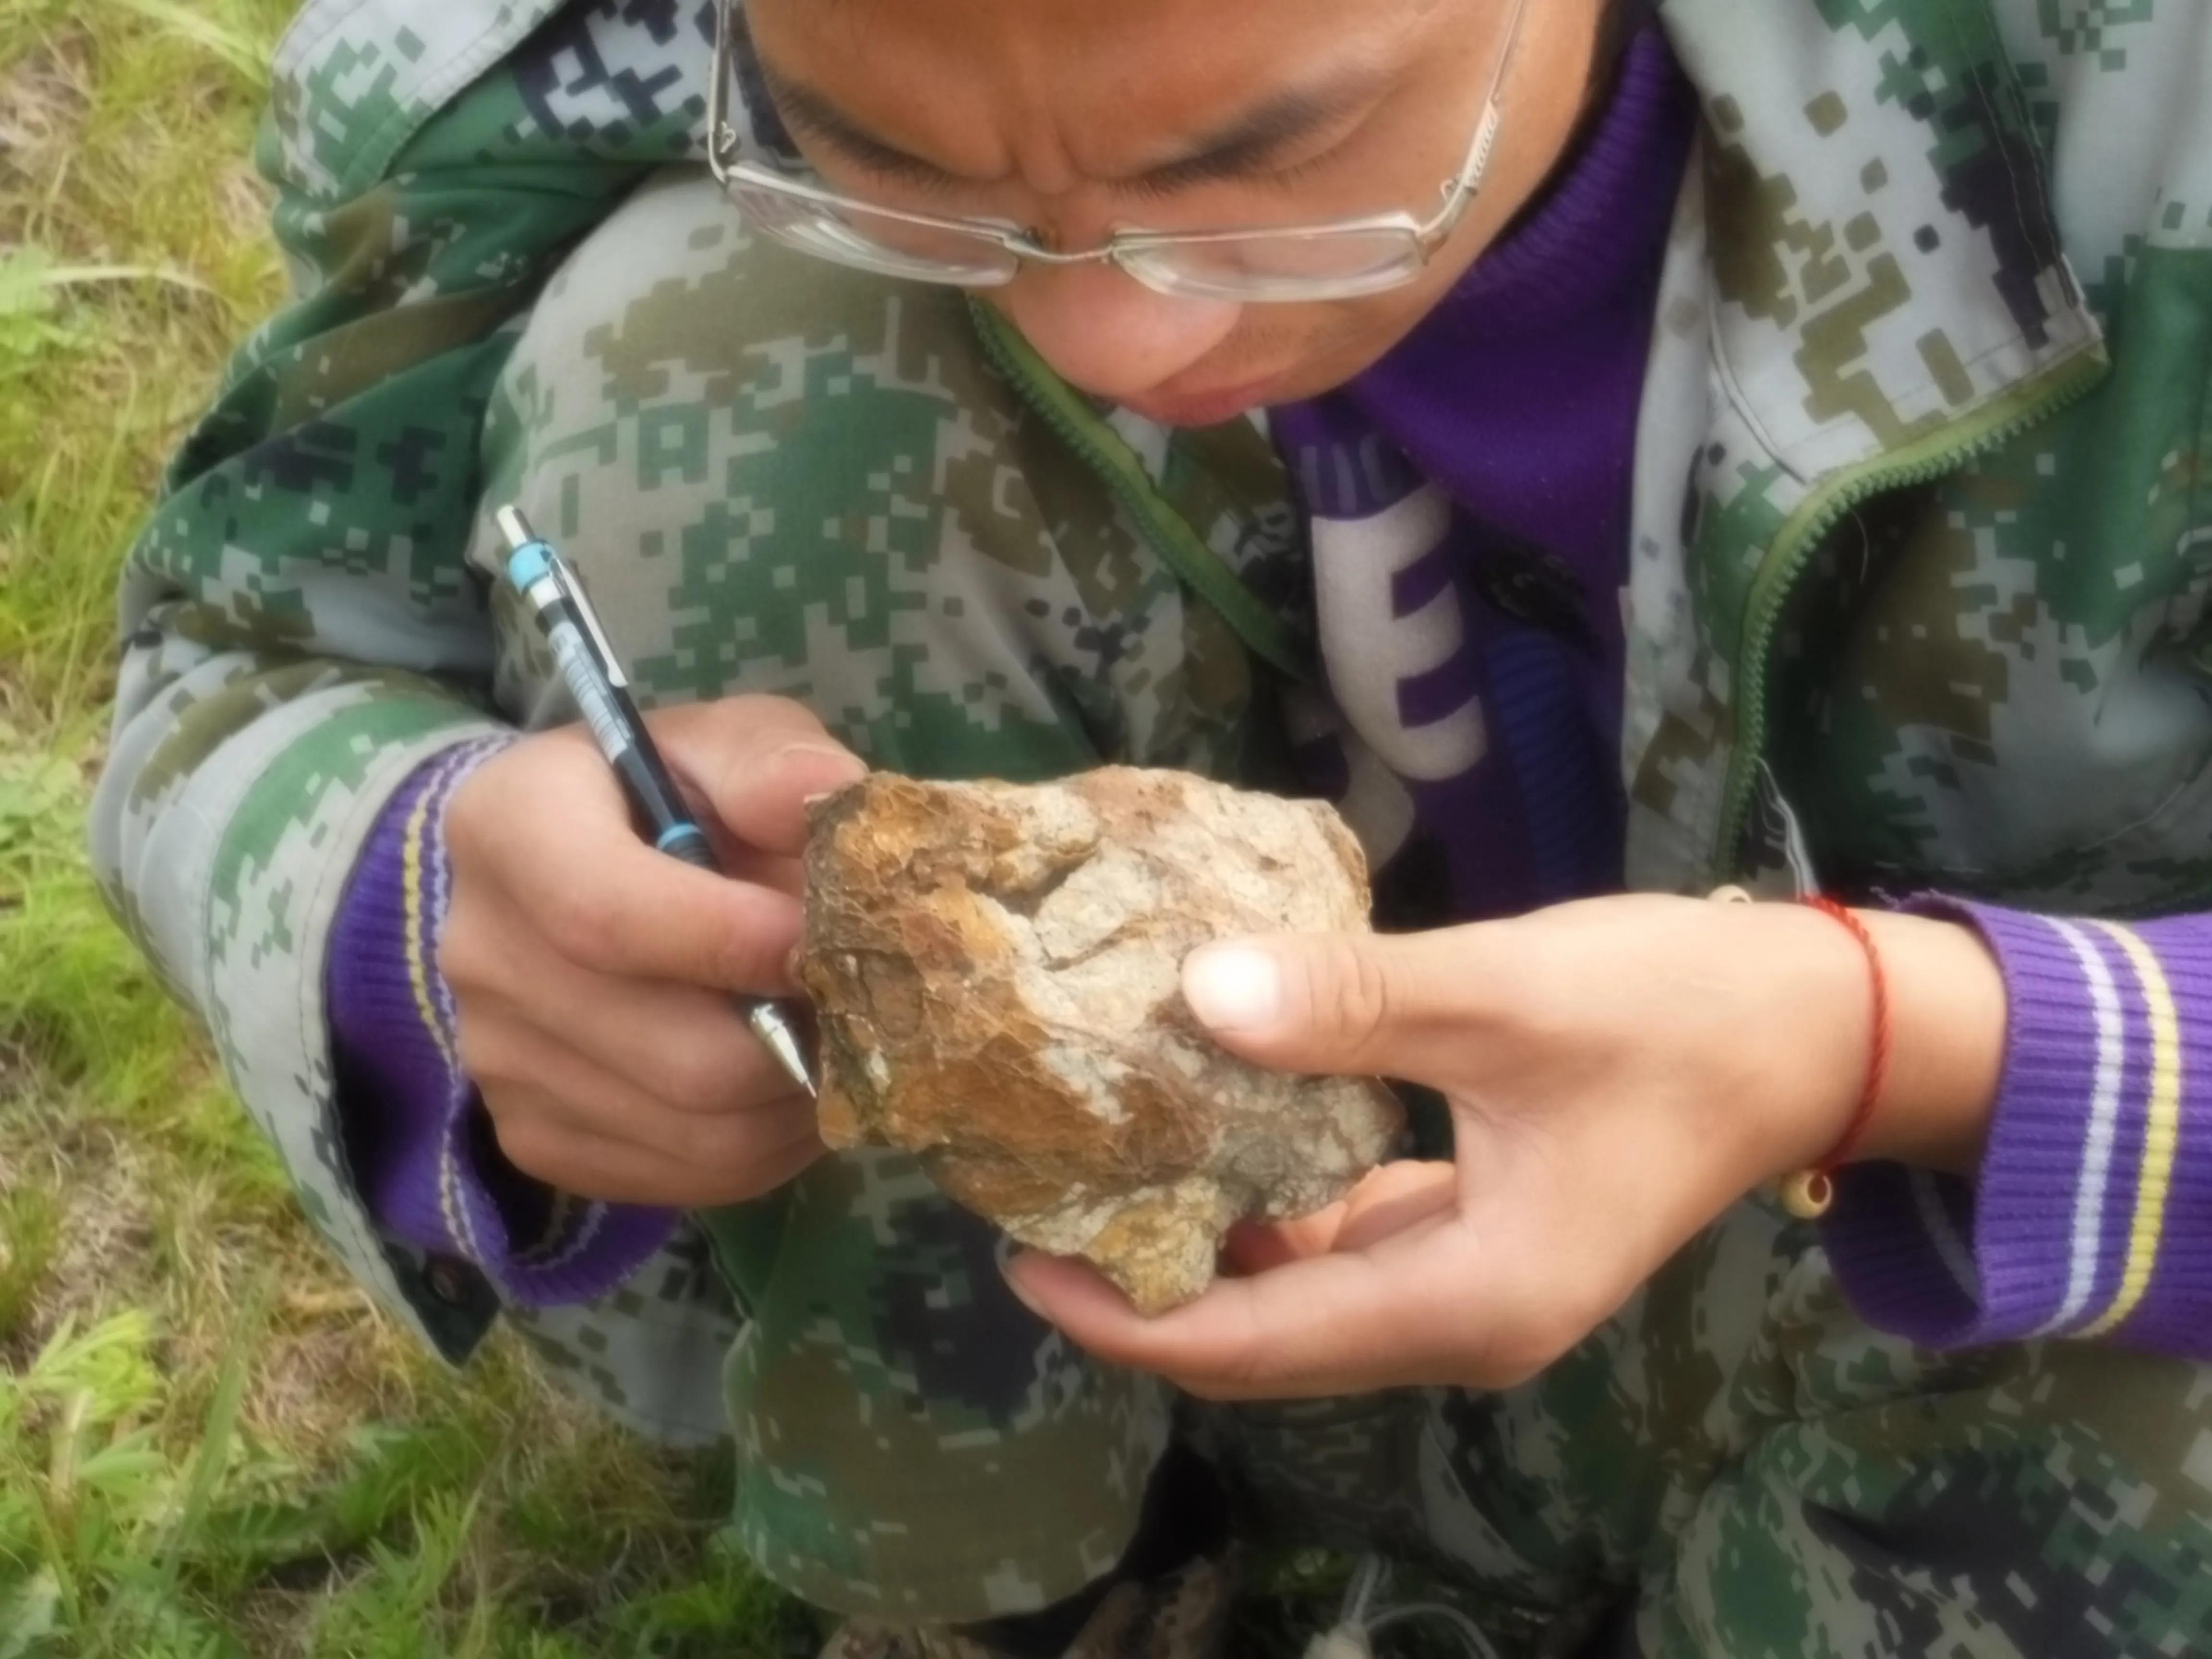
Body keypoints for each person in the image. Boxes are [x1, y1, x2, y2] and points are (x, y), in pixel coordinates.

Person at [94, 0, 2212, 1651]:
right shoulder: (564, 59)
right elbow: (238, 654)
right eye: (893, 160)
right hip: (1142, 1292)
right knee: (719, 362)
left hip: (1962, 1343)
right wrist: (403, 889)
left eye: (1275, 155)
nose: (1125, 327)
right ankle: (1013, 1567)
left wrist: (1880, 1041)